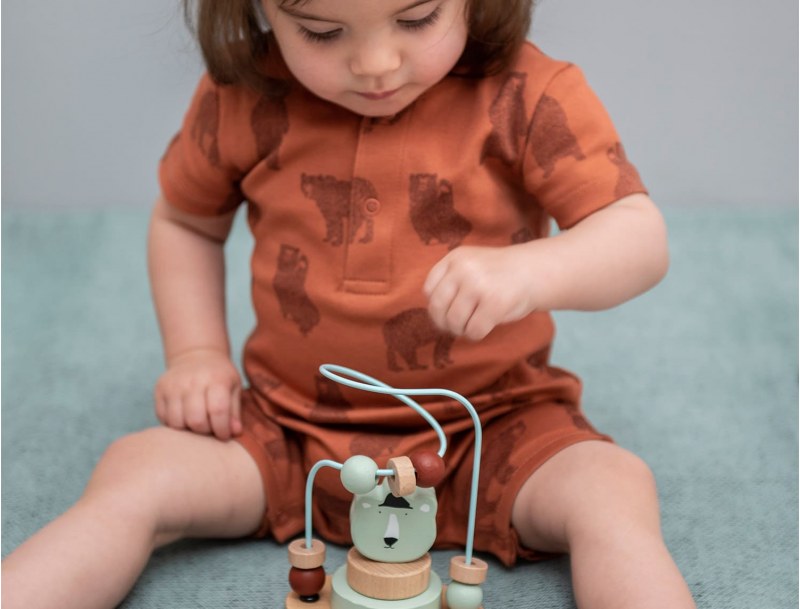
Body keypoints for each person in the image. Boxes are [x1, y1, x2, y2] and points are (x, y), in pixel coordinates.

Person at [2, 1, 696, 608]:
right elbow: (185, 222)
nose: (375, 62)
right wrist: (196, 355)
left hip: (493, 430)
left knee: (613, 488)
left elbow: (638, 238)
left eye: (417, 18)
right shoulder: (243, 91)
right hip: (289, 433)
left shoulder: (530, 93)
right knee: (134, 472)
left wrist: (536, 269)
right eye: (322, 31)